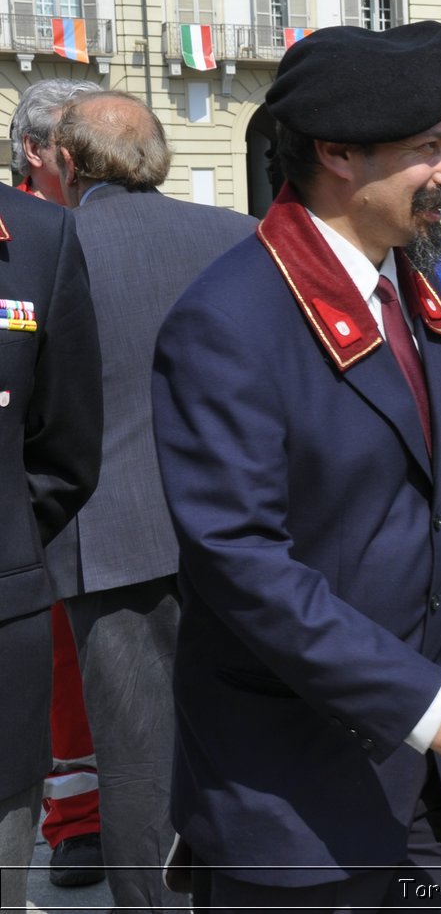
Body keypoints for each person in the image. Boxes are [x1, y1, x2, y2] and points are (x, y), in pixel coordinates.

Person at [150, 21, 441, 909]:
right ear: (338, 156)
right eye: (429, 149)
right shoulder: (230, 318)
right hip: (298, 793)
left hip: (437, 788)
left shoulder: (406, 281)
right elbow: (242, 563)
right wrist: (425, 699)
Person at [40, 90, 255, 912]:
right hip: (238, 533)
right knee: (239, 739)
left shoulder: (53, 248)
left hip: (110, 540)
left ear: (65, 162)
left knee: (135, 760)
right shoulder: (238, 237)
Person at [9, 76, 105, 890]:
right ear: (40, 155)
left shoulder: (76, 232)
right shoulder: (31, 234)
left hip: (80, 486)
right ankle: (74, 816)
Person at [10, 78, 97, 201]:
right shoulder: (6, 215)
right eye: (77, 137)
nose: (96, 146)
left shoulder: (120, 208)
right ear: (33, 149)